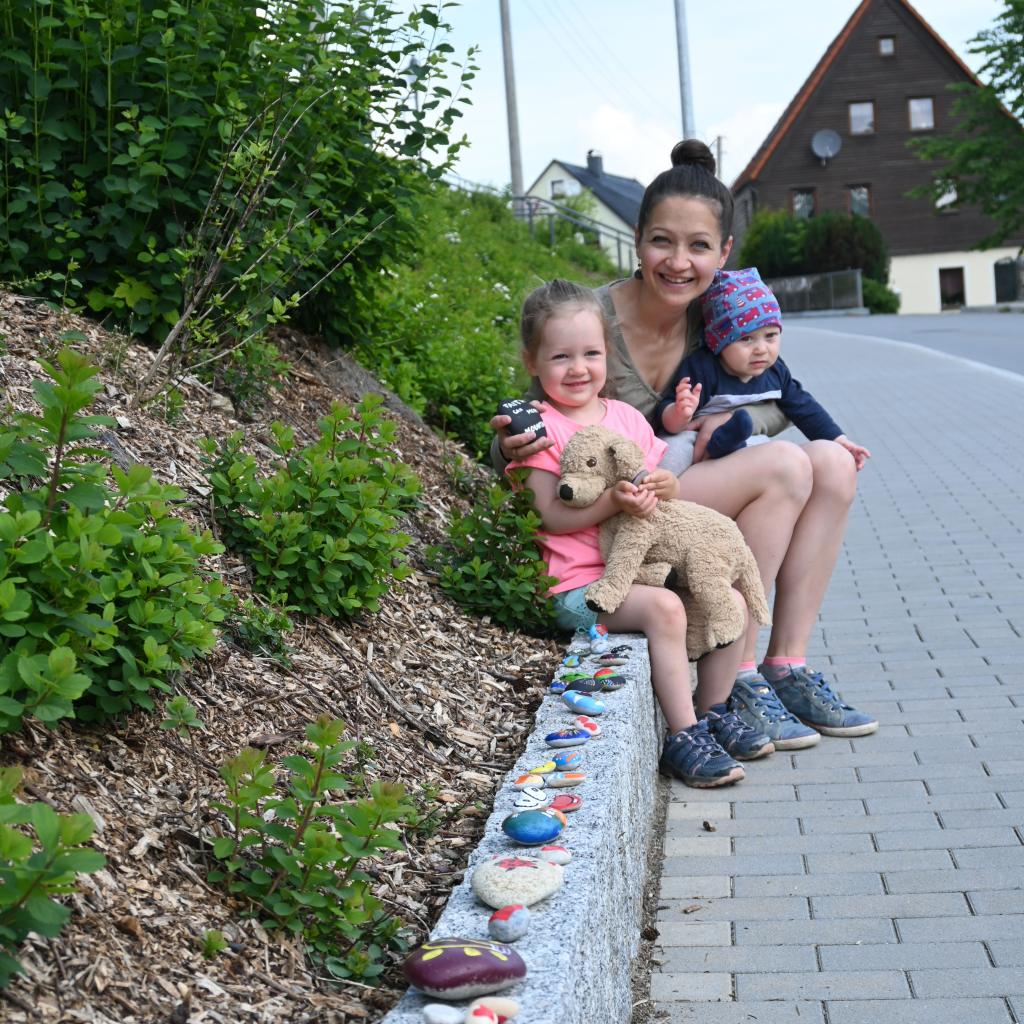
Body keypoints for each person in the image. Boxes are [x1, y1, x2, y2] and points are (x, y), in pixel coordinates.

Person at [491, 140, 878, 746]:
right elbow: (539, 412)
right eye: (662, 242)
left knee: (831, 461)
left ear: (723, 253)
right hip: (629, 507)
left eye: (699, 246)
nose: (678, 262)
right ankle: (738, 669)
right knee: (784, 469)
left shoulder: (722, 312)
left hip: (673, 480)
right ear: (638, 240)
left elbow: (774, 392)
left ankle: (786, 665)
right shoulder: (589, 317)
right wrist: (506, 446)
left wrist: (724, 428)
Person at [508, 277, 774, 788]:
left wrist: (666, 483)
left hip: (643, 568)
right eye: (561, 357)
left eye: (590, 353)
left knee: (731, 600)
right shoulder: (540, 431)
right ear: (532, 363)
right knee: (666, 607)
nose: (578, 368)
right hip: (579, 585)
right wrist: (611, 501)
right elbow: (549, 516)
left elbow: (659, 481)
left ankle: (714, 709)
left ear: (608, 354)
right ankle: (682, 735)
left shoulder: (627, 418)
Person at [655, 267, 872, 471]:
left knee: (766, 449)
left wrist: (838, 439)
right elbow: (666, 412)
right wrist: (678, 413)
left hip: (742, 439)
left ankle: (726, 448)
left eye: (770, 336)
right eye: (746, 339)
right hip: (693, 436)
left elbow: (804, 407)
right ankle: (649, 491)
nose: (761, 349)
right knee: (672, 452)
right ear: (717, 341)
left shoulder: (775, 372)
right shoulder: (703, 368)